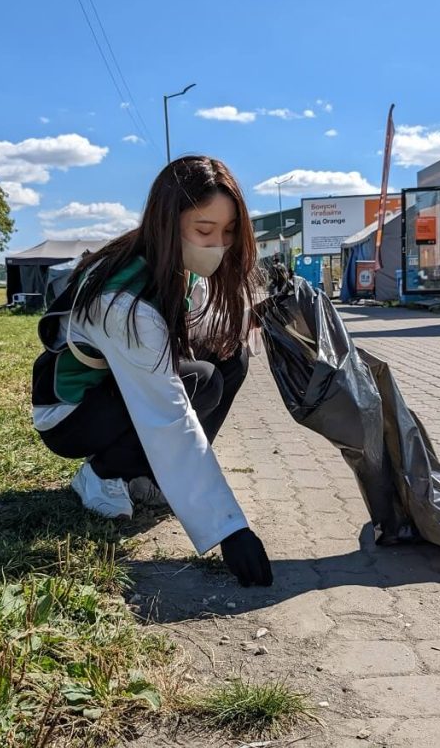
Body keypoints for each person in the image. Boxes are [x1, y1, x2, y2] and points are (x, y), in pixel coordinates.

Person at [31, 156, 273, 587]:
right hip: (71, 416)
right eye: (204, 230)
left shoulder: (173, 263)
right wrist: (228, 528)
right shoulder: (123, 300)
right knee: (199, 382)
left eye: (229, 231)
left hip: (115, 393)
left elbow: (203, 325)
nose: (218, 245)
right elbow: (168, 414)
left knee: (231, 359)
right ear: (167, 222)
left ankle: (151, 477)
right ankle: (102, 473)